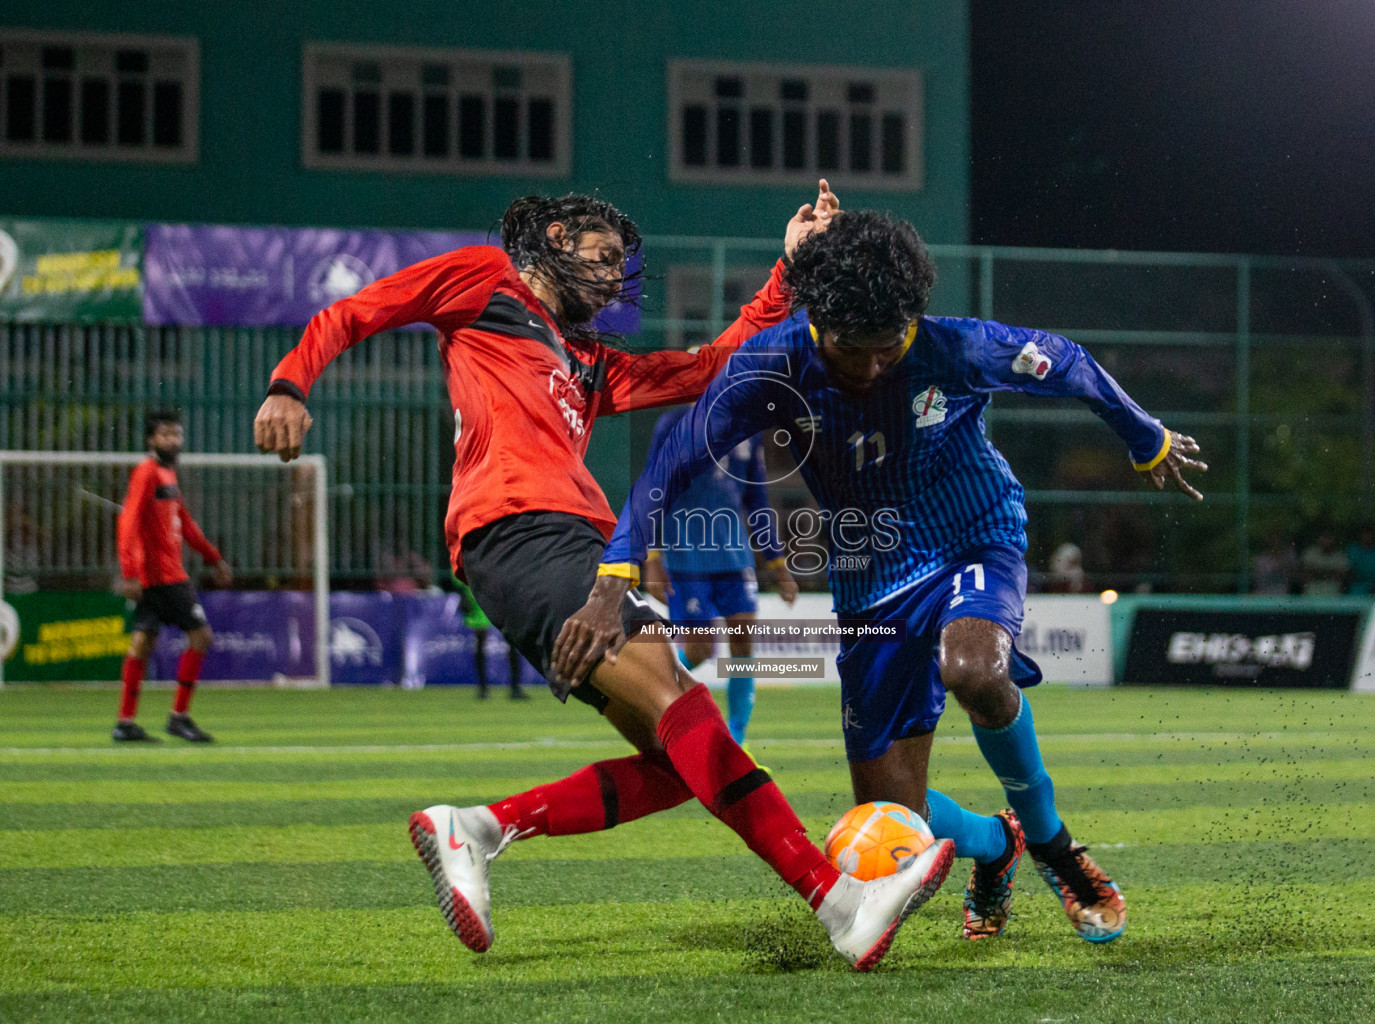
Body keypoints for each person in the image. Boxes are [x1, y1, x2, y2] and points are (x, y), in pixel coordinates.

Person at [253, 184, 952, 971]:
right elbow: (358, 310)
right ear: (555, 237)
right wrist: (288, 382)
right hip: (520, 532)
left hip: (569, 544)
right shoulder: (486, 281)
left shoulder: (590, 363)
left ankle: (478, 828)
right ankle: (840, 903)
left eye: (624, 266)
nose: (617, 278)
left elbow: (711, 367)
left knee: (675, 765)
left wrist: (786, 273)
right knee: (683, 709)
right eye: (604, 258)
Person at [558, 210, 1207, 945]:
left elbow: (1066, 361)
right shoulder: (769, 370)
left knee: (972, 667)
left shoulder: (949, 346)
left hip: (973, 534)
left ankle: (1057, 848)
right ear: (817, 323)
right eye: (852, 352)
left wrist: (1146, 438)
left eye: (886, 348)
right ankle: (999, 845)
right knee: (896, 818)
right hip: (870, 579)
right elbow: (671, 463)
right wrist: (615, 572)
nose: (871, 368)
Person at [640, 409, 797, 744]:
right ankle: (648, 689)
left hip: (734, 554)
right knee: (699, 650)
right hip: (685, 554)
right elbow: (651, 489)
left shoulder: (749, 427)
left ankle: (737, 737)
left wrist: (777, 564)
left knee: (743, 637)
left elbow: (756, 500)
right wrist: (651, 557)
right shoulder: (674, 423)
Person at [114, 410, 234, 743]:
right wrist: (129, 572)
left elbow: (186, 523)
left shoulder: (167, 476)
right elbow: (128, 522)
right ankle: (178, 717)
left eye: (176, 434)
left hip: (160, 577)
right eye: (166, 434)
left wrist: (213, 558)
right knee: (201, 636)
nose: (173, 440)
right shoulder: (147, 472)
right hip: (165, 577)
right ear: (151, 439)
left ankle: (125, 722)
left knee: (143, 642)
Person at [451, 574, 529, 699]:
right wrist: (462, 591)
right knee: (482, 640)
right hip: (479, 591)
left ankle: (514, 688)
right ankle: (484, 688)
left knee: (510, 639)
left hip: (500, 591)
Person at [1300, 529, 1349, 595]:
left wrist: (1316, 570)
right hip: (1312, 590)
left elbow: (1342, 576)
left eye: (1329, 537)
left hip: (1333, 591)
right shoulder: (1310, 553)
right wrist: (1331, 571)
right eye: (1324, 537)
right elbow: (1305, 573)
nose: (1326, 541)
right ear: (1319, 538)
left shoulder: (1340, 556)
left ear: (1334, 539)